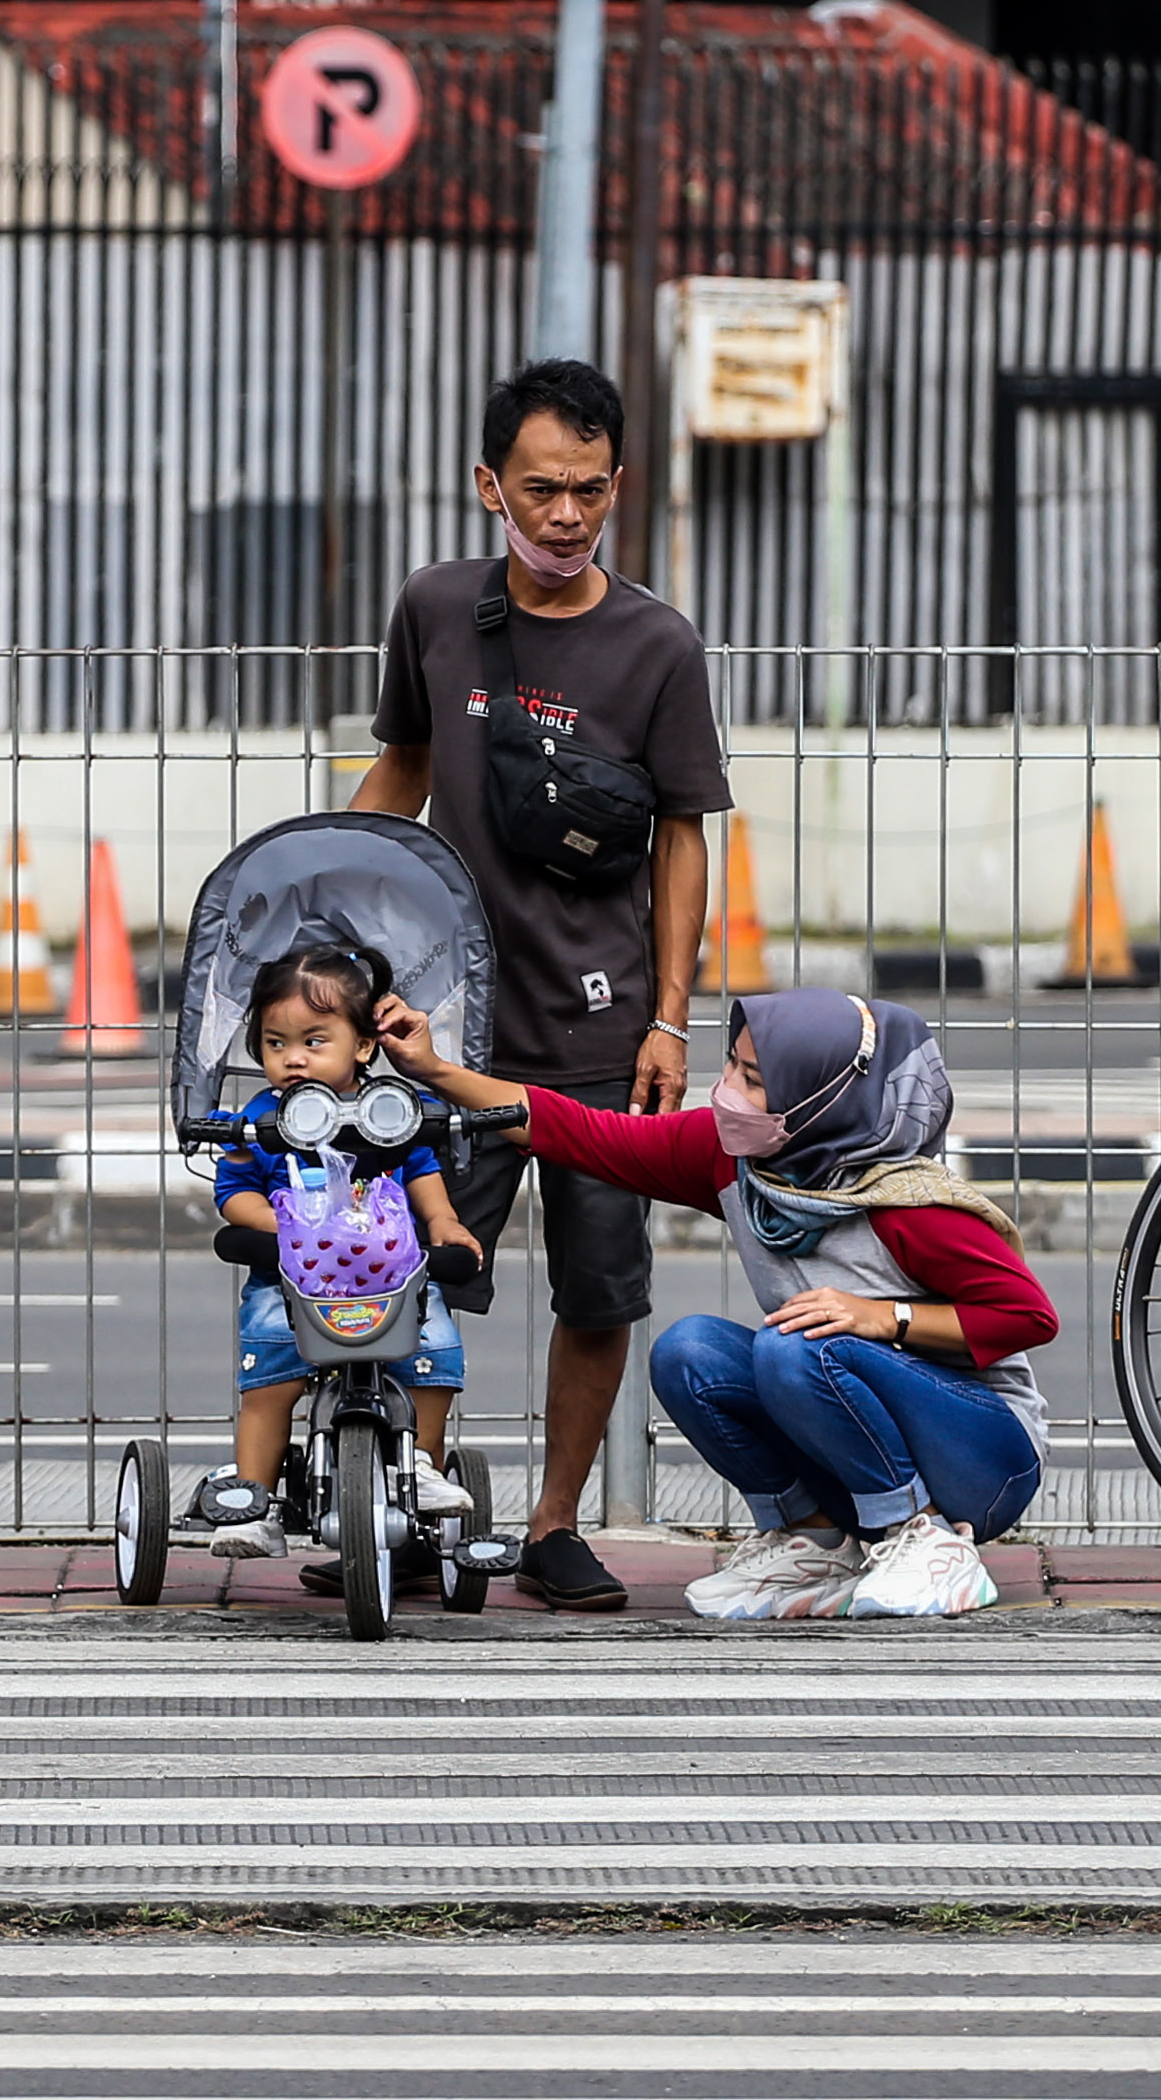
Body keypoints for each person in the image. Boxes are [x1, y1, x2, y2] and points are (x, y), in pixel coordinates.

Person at [353, 360, 730, 1610]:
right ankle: (408, 1504)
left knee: (600, 1284)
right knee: (411, 1268)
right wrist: (326, 907)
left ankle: (555, 1523)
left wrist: (670, 1015)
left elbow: (684, 836)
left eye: (586, 490)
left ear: (617, 487)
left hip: (599, 1034)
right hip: (442, 1029)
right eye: (538, 490)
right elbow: (400, 768)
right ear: (486, 488)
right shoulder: (434, 609)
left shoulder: (656, 645)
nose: (564, 516)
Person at [377, 986, 1056, 1619]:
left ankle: (926, 1539)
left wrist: (886, 1316)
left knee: (794, 1347)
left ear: (818, 1101)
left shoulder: (906, 1202)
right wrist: (434, 1067)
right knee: (688, 1351)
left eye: (754, 1081)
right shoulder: (737, 1157)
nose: (727, 1091)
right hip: (850, 1402)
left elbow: (1029, 1316)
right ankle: (813, 1542)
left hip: (984, 1459)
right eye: (732, 1065)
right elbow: (579, 1131)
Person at [201, 944, 484, 1558]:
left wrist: (444, 1222)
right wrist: (285, 1226)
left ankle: (423, 1467)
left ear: (362, 1045)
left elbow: (421, 1169)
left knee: (431, 1349)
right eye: (276, 1045)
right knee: (272, 1364)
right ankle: (254, 1496)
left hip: (390, 1276)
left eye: (313, 1042)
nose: (293, 1059)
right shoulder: (262, 1117)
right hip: (293, 1280)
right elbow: (233, 1192)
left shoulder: (390, 1111)